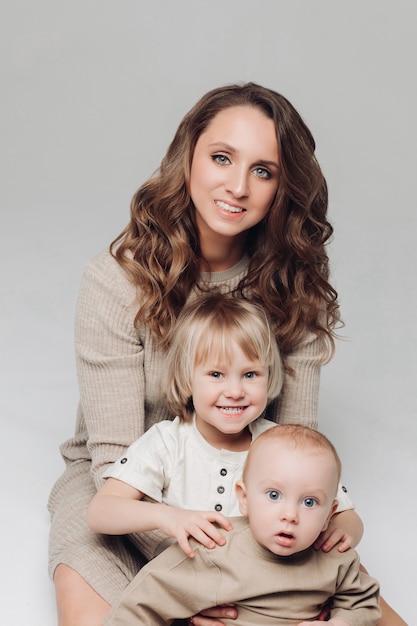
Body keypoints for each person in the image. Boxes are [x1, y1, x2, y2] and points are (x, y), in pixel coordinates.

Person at [48, 82, 406, 626]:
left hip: (251, 495)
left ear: (282, 189)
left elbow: (296, 442)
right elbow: (112, 469)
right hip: (131, 496)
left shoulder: (294, 282)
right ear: (187, 155)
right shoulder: (115, 281)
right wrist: (195, 583)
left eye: (263, 171)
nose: (237, 186)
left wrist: (271, 568)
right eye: (222, 158)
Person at [87, 293, 354, 564]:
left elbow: (344, 513)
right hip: (187, 580)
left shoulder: (279, 445)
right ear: (187, 378)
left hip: (267, 582)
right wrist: (167, 517)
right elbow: (100, 511)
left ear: (269, 376)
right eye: (216, 375)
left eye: (250, 374)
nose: (235, 391)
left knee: (351, 586)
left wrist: (340, 532)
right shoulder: (167, 442)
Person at [103, 424, 381, 626]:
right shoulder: (217, 550)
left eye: (309, 502)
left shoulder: (334, 559)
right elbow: (144, 600)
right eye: (274, 496)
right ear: (244, 499)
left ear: (330, 513)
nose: (290, 515)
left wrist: (341, 623)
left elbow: (362, 601)